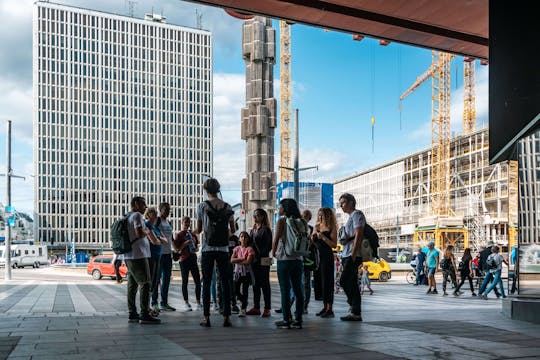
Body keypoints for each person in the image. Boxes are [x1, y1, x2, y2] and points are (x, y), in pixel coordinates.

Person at [196, 178, 236, 328]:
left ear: (206, 190)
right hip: (223, 249)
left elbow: (199, 229)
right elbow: (233, 230)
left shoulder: (201, 206)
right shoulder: (227, 206)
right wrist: (224, 237)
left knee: (207, 282)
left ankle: (206, 317)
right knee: (225, 282)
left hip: (207, 248)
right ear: (218, 189)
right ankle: (227, 317)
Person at [124, 196, 161, 324]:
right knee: (146, 283)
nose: (145, 206)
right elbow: (139, 233)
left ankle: (132, 313)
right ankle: (144, 313)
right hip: (138, 254)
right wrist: (147, 231)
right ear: (136, 204)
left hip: (129, 255)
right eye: (143, 204)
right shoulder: (137, 216)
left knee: (132, 285)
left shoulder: (127, 216)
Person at [272, 198, 306, 329]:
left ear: (285, 209)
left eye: (280, 207)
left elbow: (276, 239)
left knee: (285, 290)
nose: (278, 209)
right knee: (298, 290)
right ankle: (298, 319)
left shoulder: (282, 221)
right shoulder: (301, 221)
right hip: (298, 259)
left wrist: (273, 252)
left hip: (285, 259)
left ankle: (286, 319)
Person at [337, 193, 364, 321]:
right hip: (347, 253)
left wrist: (353, 254)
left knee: (344, 281)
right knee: (352, 282)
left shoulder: (357, 214)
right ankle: (355, 312)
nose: (341, 206)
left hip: (353, 255)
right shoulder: (350, 217)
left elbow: (359, 234)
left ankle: (353, 305)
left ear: (351, 202)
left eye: (343, 203)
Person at [311, 207, 337, 318]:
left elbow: (334, 245)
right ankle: (324, 306)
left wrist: (323, 237)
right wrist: (312, 237)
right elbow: (312, 241)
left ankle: (330, 309)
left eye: (322, 215)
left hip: (327, 257)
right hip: (318, 257)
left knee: (327, 283)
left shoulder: (332, 227)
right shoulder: (317, 227)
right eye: (319, 215)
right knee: (319, 282)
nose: (320, 217)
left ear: (328, 216)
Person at [246, 208, 273, 317]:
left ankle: (267, 308)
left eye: (256, 215)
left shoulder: (266, 230)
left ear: (262, 217)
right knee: (255, 283)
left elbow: (268, 246)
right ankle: (256, 307)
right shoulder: (253, 230)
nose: (254, 217)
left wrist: (258, 256)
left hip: (264, 259)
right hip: (254, 260)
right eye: (254, 215)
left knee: (265, 284)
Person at [173, 216, 202, 311]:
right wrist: (185, 244)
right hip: (184, 259)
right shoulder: (179, 235)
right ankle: (186, 302)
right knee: (184, 281)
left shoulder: (193, 235)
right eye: (185, 222)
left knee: (197, 281)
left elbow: (197, 247)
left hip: (193, 258)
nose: (187, 224)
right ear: (182, 223)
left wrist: (196, 248)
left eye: (189, 222)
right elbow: (177, 249)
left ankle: (198, 302)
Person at [144, 207, 168, 317]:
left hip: (158, 256)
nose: (155, 216)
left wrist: (158, 239)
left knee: (154, 282)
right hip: (151, 257)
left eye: (155, 214)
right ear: (148, 215)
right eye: (153, 214)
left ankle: (148, 307)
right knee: (151, 282)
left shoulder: (155, 227)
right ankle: (147, 307)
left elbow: (166, 240)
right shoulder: (147, 225)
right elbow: (155, 242)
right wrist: (159, 239)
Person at [155, 202, 175, 311]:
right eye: (166, 210)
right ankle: (154, 303)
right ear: (160, 210)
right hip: (159, 254)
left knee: (166, 280)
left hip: (168, 254)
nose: (168, 212)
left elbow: (171, 239)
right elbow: (153, 234)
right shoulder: (157, 221)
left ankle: (164, 302)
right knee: (157, 279)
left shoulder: (169, 223)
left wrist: (176, 249)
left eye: (169, 210)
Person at [231, 231, 256, 317]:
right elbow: (232, 260)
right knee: (235, 290)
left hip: (246, 273)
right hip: (237, 272)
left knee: (245, 291)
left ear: (248, 239)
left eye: (245, 237)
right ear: (239, 239)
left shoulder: (250, 249)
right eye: (241, 236)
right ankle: (243, 300)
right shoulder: (236, 249)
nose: (243, 238)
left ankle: (243, 309)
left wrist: (238, 260)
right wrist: (242, 258)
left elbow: (248, 261)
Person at [301, 209, 314, 314]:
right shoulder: (297, 226)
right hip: (297, 257)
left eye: (307, 217)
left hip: (306, 258)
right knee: (295, 282)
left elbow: (311, 243)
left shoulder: (311, 229)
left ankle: (304, 306)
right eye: (304, 216)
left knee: (306, 282)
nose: (305, 218)